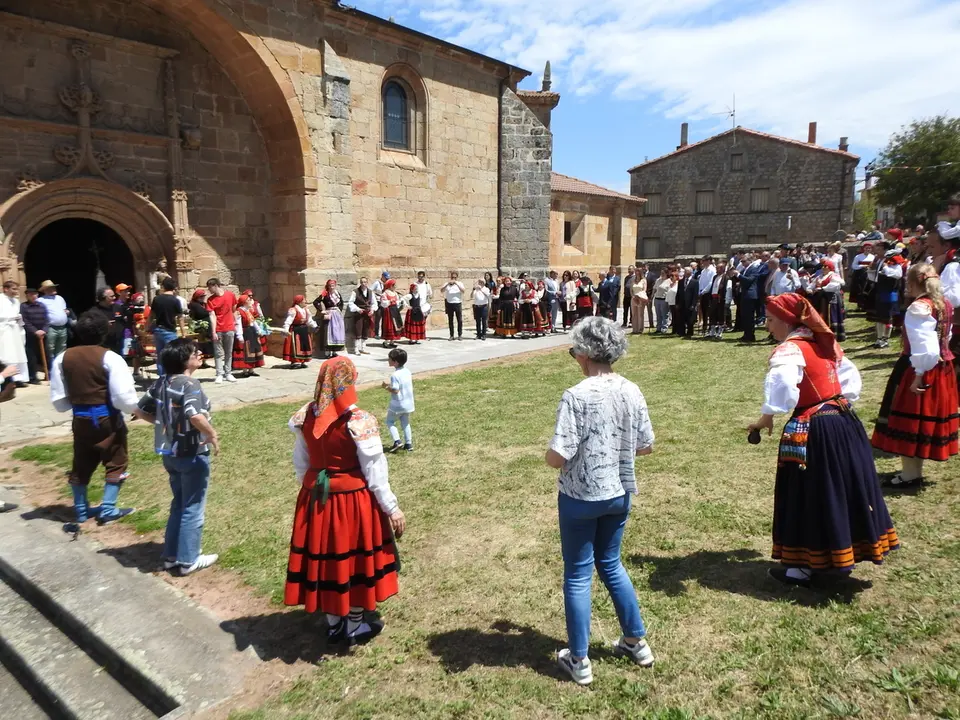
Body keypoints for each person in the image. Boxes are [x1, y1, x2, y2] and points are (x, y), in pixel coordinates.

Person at [747, 293, 898, 587]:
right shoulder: (824, 343)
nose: (767, 325)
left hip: (816, 429)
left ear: (787, 322)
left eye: (771, 319)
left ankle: (801, 568)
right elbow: (850, 382)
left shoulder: (790, 349)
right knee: (842, 487)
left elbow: (783, 387)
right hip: (844, 422)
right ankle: (841, 553)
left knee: (809, 491)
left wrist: (767, 416)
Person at [545, 317, 655, 685]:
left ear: (584, 352)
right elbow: (646, 445)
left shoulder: (576, 395)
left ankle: (579, 659)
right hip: (618, 494)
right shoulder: (631, 390)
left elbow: (559, 455)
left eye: (574, 349)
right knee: (611, 563)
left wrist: (548, 455)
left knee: (578, 574)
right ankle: (636, 642)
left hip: (580, 497)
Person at [284, 356, 406, 647]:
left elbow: (301, 463)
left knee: (325, 557)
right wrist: (391, 507)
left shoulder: (306, 415)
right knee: (354, 560)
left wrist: (313, 488)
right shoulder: (358, 420)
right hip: (352, 503)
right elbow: (375, 471)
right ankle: (354, 625)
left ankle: (333, 622)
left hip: (315, 500)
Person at [50, 312, 141, 528]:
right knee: (116, 460)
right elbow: (122, 396)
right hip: (106, 417)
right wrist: (134, 409)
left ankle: (81, 510)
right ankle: (108, 509)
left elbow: (59, 400)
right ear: (104, 332)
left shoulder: (63, 357)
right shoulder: (111, 358)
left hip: (80, 418)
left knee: (82, 461)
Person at [136, 338, 219, 576]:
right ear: (185, 360)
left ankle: (172, 556)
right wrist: (211, 434)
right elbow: (194, 414)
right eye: (195, 352)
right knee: (193, 506)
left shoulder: (161, 382)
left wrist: (164, 424)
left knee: (179, 502)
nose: (199, 354)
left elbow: (140, 410)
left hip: (170, 454)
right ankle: (189, 559)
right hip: (192, 452)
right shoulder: (190, 384)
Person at [871, 264, 958, 486]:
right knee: (921, 420)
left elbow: (925, 347)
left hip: (919, 367)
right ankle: (913, 472)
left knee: (908, 419)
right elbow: (945, 337)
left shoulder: (919, 307)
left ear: (912, 283)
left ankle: (910, 474)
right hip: (942, 368)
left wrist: (918, 374)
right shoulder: (945, 303)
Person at [151, 277, 186, 375]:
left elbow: (151, 315)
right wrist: (183, 333)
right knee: (171, 355)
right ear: (173, 287)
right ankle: (171, 377)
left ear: (163, 286)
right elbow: (180, 318)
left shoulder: (156, 299)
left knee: (160, 355)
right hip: (170, 331)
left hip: (158, 330)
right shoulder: (175, 300)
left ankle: (162, 377)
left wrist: (146, 328)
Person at [205, 278, 238, 384]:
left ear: (215, 285)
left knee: (229, 352)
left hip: (229, 327)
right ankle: (219, 374)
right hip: (218, 329)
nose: (209, 290)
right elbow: (212, 316)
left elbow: (234, 309)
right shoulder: (210, 300)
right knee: (218, 353)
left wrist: (236, 324)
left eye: (210, 287)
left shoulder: (230, 295)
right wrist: (213, 331)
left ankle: (228, 373)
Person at [382, 347, 415, 453]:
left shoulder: (395, 375)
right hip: (408, 403)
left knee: (390, 421)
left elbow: (395, 390)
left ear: (395, 362)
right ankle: (408, 444)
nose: (388, 360)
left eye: (390, 359)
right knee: (405, 423)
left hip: (398, 404)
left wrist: (386, 387)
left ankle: (397, 441)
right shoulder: (407, 371)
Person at [873, 250, 905, 348]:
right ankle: (879, 339)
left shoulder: (896, 266)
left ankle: (885, 339)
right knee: (879, 318)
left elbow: (898, 275)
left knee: (888, 318)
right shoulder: (883, 263)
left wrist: (886, 268)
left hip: (890, 294)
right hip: (880, 293)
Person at [0, 281, 29, 387]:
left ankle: (18, 378)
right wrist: (10, 318)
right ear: (6, 289)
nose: (16, 291)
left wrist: (18, 318)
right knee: (7, 354)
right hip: (4, 330)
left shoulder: (16, 301)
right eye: (14, 289)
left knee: (18, 354)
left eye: (17, 289)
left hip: (15, 330)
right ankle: (8, 377)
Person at [811, 258, 846, 341]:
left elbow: (835, 286)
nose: (823, 268)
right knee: (822, 314)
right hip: (822, 299)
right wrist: (811, 289)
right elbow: (811, 285)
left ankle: (834, 335)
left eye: (825, 266)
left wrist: (822, 288)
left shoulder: (833, 276)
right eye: (822, 266)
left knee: (831, 315)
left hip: (831, 298)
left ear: (830, 267)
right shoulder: (819, 276)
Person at [232, 294, 265, 376]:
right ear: (244, 302)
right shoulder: (239, 312)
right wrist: (239, 336)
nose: (251, 301)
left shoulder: (248, 310)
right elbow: (238, 324)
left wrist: (258, 330)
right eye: (248, 300)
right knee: (246, 352)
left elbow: (253, 321)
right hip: (245, 333)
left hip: (252, 332)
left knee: (253, 350)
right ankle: (245, 370)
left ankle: (251, 370)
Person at [38, 280, 69, 365]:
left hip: (63, 327)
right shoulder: (41, 300)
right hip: (51, 327)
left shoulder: (60, 298)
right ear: (45, 290)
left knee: (62, 347)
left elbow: (64, 309)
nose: (54, 289)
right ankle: (51, 367)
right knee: (50, 348)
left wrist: (66, 312)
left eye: (54, 287)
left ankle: (59, 366)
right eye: (51, 288)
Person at [20, 287, 47, 384]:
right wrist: (35, 331)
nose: (33, 296)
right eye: (31, 294)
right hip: (31, 335)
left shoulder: (42, 305)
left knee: (47, 355)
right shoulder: (23, 306)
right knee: (32, 357)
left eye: (35, 294)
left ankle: (48, 374)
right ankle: (33, 377)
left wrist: (44, 330)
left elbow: (47, 319)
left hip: (43, 334)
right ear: (27, 296)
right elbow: (25, 321)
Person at [313, 279, 346, 359]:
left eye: (333, 285)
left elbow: (341, 303)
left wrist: (339, 310)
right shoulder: (325, 294)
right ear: (328, 286)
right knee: (329, 333)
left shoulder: (337, 294)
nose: (332, 286)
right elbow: (316, 302)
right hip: (329, 315)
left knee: (336, 333)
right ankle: (327, 353)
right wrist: (322, 311)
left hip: (337, 315)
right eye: (330, 285)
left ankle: (334, 352)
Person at [282, 295, 317, 367]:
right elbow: (288, 321)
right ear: (299, 302)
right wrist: (286, 329)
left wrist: (315, 326)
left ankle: (303, 361)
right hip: (296, 330)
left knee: (304, 346)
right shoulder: (293, 310)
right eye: (304, 300)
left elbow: (309, 320)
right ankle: (295, 362)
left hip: (304, 330)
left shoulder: (306, 310)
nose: (305, 301)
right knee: (296, 346)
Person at [347, 277, 376, 355]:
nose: (363, 284)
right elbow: (351, 302)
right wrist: (357, 309)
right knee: (358, 331)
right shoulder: (355, 292)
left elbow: (374, 303)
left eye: (365, 282)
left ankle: (363, 348)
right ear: (360, 283)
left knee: (365, 331)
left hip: (367, 314)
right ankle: (356, 349)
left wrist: (372, 310)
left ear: (367, 283)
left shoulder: (370, 292)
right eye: (362, 282)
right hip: (359, 314)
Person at [379, 279, 404, 348]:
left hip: (395, 310)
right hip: (388, 312)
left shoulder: (395, 293)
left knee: (395, 326)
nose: (395, 286)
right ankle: (386, 342)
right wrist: (390, 301)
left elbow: (398, 301)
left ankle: (392, 341)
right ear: (390, 286)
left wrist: (399, 302)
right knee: (389, 325)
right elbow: (383, 303)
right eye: (394, 285)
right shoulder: (385, 293)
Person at [849, 241, 875, 306]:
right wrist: (862, 266)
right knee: (859, 289)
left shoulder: (873, 257)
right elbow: (853, 266)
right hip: (859, 275)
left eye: (869, 248)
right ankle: (859, 304)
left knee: (867, 289)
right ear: (863, 248)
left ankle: (866, 304)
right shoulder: (858, 256)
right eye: (866, 248)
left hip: (869, 275)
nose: (868, 249)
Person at [442, 271, 465, 341]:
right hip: (449, 303)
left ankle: (460, 335)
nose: (453, 279)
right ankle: (451, 335)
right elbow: (441, 290)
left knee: (459, 320)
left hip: (457, 303)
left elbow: (463, 291)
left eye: (455, 277)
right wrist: (447, 284)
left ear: (457, 277)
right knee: (450, 320)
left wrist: (456, 283)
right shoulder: (447, 284)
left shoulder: (460, 283)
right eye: (452, 277)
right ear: (450, 277)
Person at [697, 257, 717, 336]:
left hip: (708, 293)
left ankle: (710, 328)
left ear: (709, 261)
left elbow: (711, 282)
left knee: (709, 311)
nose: (703, 263)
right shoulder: (703, 271)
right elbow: (700, 282)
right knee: (703, 311)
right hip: (702, 293)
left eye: (705, 261)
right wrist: (699, 291)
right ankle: (704, 328)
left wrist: (704, 291)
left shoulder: (712, 270)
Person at [652, 269, 671, 334]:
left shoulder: (669, 281)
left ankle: (664, 328)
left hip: (664, 299)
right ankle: (658, 328)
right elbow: (654, 288)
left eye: (663, 273)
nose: (662, 274)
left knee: (664, 314)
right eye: (661, 273)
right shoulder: (658, 280)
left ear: (666, 273)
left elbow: (669, 291)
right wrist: (652, 296)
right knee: (658, 314)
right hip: (657, 299)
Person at [371, 271, 389, 339]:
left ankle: (383, 333)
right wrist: (375, 296)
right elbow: (370, 290)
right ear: (382, 277)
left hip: (384, 302)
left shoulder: (387, 284)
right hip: (378, 301)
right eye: (385, 278)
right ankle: (376, 333)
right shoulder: (377, 283)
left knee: (384, 318)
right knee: (377, 318)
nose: (386, 279)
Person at [630, 266, 648, 334]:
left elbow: (644, 290)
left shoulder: (644, 280)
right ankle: (635, 329)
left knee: (640, 314)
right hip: (634, 298)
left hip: (640, 297)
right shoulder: (633, 280)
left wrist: (639, 296)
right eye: (636, 272)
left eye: (638, 272)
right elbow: (631, 290)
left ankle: (640, 329)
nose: (636, 273)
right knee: (634, 314)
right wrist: (633, 296)